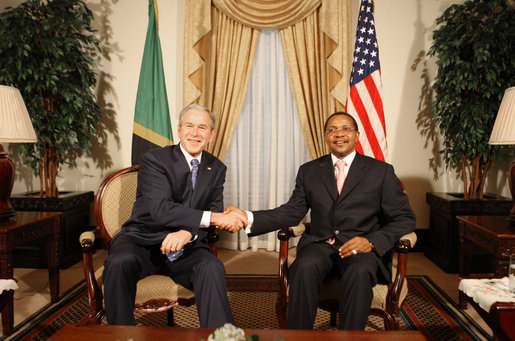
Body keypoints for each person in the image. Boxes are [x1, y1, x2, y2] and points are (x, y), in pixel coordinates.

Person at [225, 112, 416, 330]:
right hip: (319, 245)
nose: (339, 134)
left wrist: (371, 242)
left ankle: (350, 337)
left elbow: (405, 218)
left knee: (359, 272)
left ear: (357, 135)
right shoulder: (309, 171)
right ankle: (298, 336)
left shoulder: (380, 171)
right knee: (304, 266)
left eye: (346, 129)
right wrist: (247, 217)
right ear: (325, 137)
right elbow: (291, 212)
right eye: (332, 130)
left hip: (360, 250)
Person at [103, 104, 246, 327]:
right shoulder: (155, 160)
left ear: (211, 135)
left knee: (212, 267)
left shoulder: (216, 168)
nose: (195, 133)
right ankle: (121, 334)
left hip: (186, 248)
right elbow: (161, 210)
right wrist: (216, 218)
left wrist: (187, 233)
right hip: (143, 240)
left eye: (202, 127)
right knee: (119, 262)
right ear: (179, 130)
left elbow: (212, 210)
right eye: (189, 126)